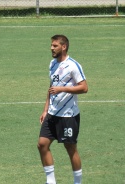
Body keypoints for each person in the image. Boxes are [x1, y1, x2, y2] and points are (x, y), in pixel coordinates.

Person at [37, 35, 88, 184]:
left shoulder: (73, 66)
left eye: (54, 46)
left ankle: (77, 182)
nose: (51, 48)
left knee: (70, 148)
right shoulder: (52, 64)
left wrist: (63, 89)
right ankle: (51, 181)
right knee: (42, 144)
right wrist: (45, 109)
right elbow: (51, 88)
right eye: (51, 45)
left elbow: (84, 87)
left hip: (68, 115)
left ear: (63, 47)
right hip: (52, 113)